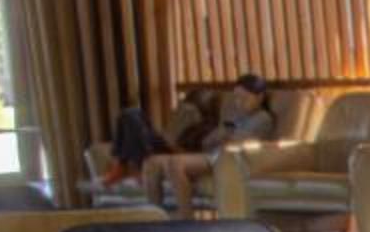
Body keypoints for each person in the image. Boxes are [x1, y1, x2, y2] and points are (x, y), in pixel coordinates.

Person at [105, 73, 278, 213]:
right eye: (237, 98)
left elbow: (240, 144)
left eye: (245, 98)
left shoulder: (262, 119)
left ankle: (185, 218)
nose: (239, 103)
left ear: (260, 97)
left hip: (221, 158)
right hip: (201, 152)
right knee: (150, 161)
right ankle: (155, 216)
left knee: (173, 162)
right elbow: (207, 142)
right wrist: (219, 134)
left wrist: (225, 136)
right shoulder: (233, 117)